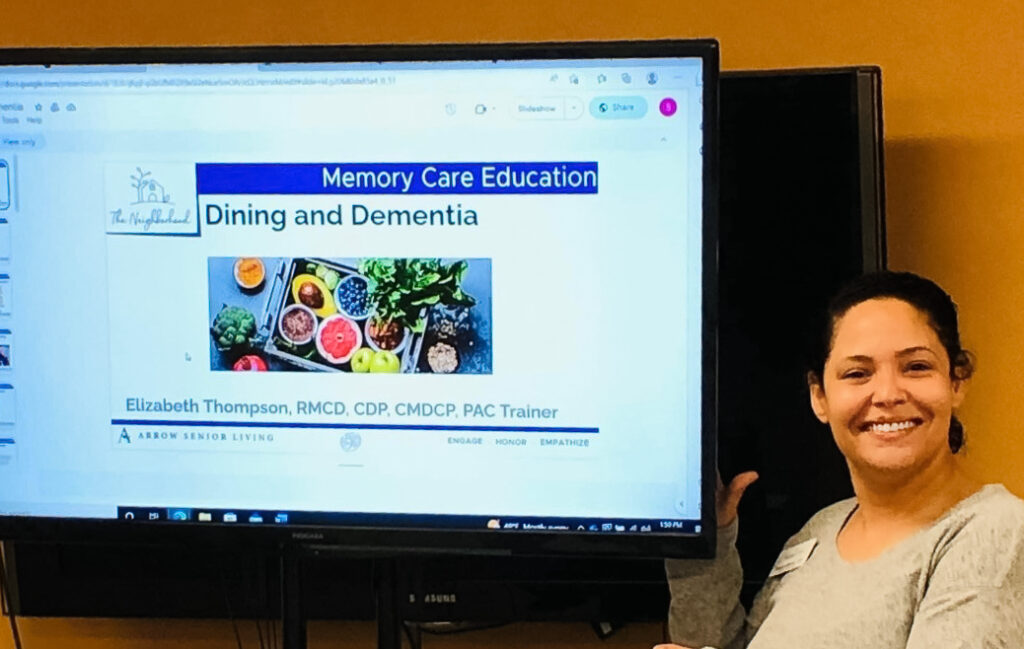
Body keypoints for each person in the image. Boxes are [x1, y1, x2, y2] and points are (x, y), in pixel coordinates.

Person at [657, 271, 1024, 649]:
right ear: (820, 397)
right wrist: (704, 543)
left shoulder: (997, 533)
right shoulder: (820, 530)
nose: (886, 394)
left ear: (956, 381)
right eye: (857, 373)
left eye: (916, 367)